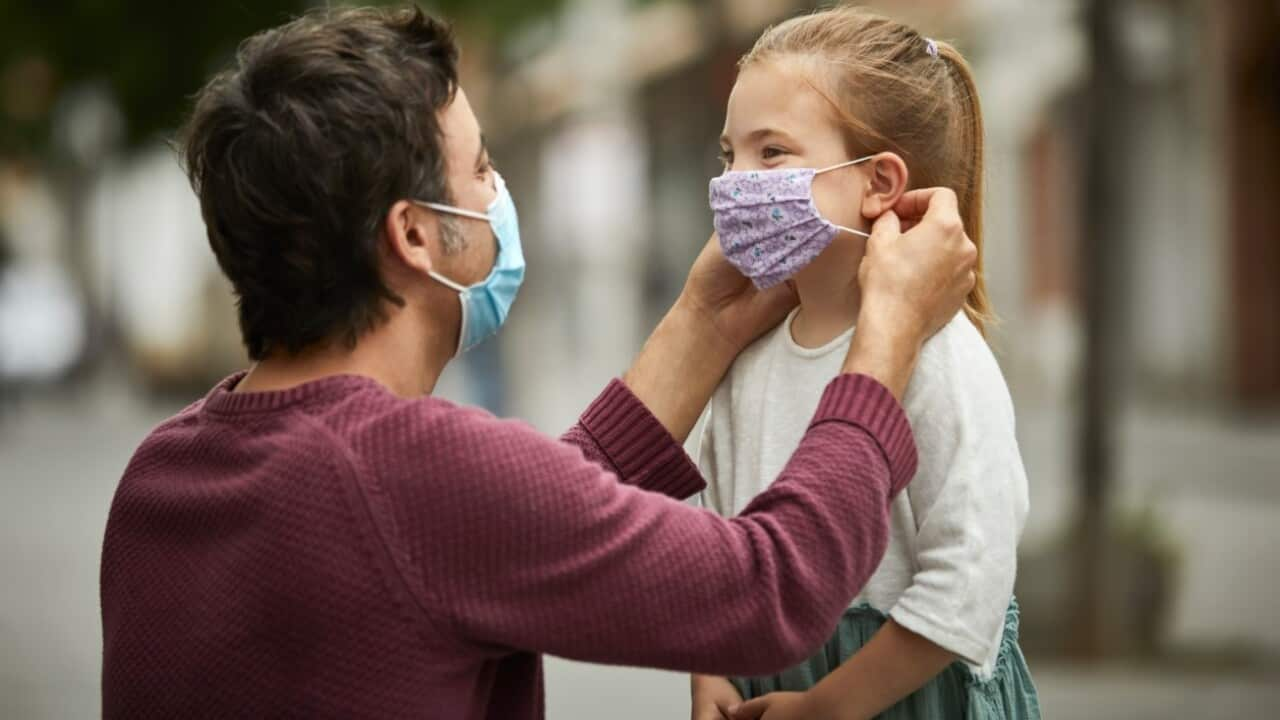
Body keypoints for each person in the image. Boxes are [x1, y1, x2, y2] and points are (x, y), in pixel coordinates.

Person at [98, 6, 977, 719]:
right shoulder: (413, 474)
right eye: (480, 171)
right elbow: (770, 589)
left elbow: (508, 517)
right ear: (413, 234)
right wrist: (886, 342)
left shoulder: (163, 475)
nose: (497, 195)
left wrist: (702, 324)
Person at [689, 7, 1041, 720]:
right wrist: (709, 672)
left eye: (772, 153)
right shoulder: (746, 357)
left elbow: (967, 584)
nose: (735, 184)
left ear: (879, 183)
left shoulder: (942, 357)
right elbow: (713, 542)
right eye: (730, 155)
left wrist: (825, 707)